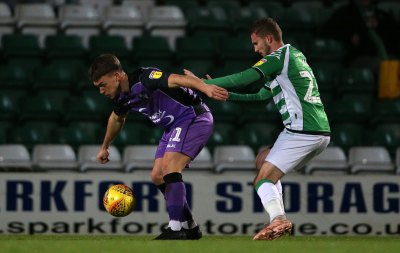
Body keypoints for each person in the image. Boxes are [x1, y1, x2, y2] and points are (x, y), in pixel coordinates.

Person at [187, 17, 331, 240]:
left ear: (269, 38)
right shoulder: (294, 56)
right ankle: (278, 218)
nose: (255, 49)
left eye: (256, 44)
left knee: (262, 179)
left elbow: (244, 78)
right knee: (262, 160)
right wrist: (228, 96)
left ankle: (279, 220)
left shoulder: (277, 58)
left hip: (303, 131)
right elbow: (262, 96)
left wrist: (204, 84)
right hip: (316, 131)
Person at [88, 54, 228, 240]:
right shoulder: (120, 97)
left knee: (171, 168)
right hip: (173, 127)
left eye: (102, 85)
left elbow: (178, 79)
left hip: (193, 117)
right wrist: (105, 146)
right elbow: (116, 118)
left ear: (117, 76)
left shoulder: (145, 77)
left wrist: (205, 88)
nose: (101, 91)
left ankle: (176, 228)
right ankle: (190, 226)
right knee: (157, 176)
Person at [321, 0, 399, 70]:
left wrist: (380, 25)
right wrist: (350, 36)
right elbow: (326, 32)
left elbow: (394, 37)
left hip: (387, 57)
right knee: (378, 66)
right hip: (358, 57)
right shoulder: (345, 13)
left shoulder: (381, 15)